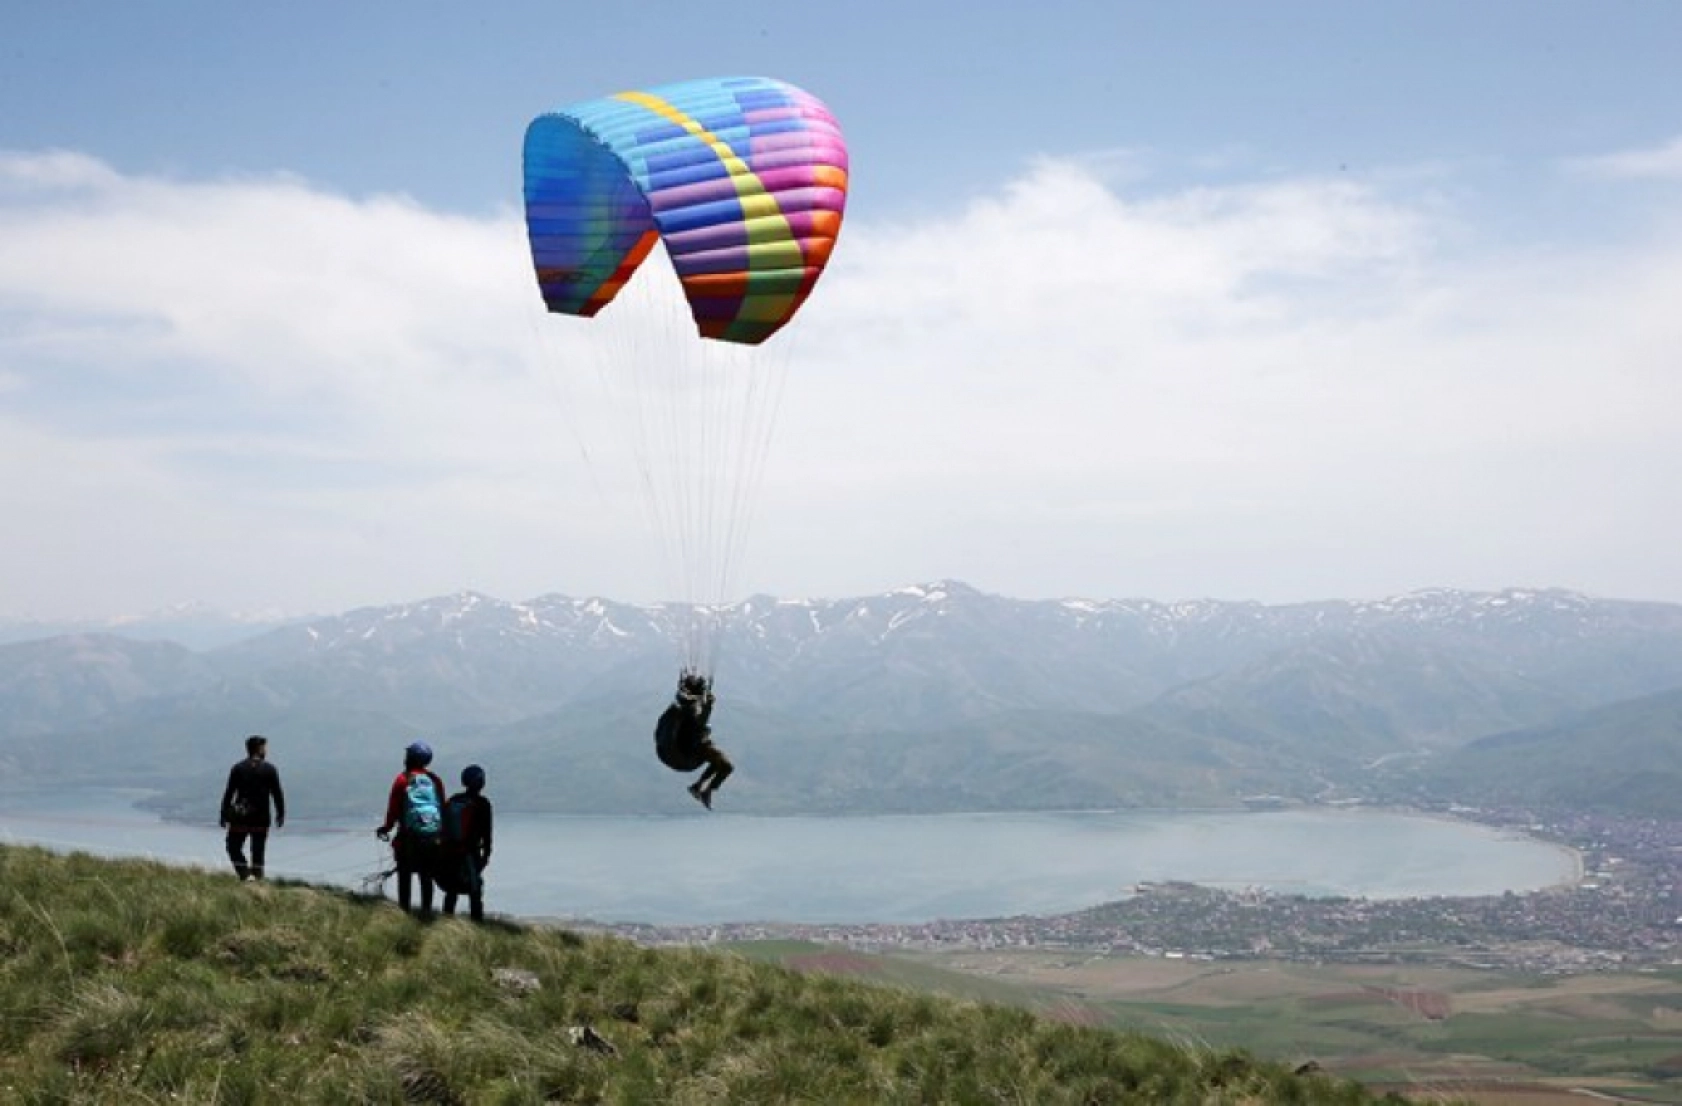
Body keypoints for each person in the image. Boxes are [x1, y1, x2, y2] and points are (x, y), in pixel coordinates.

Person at [376, 740, 448, 916]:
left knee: (405, 874)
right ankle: (426, 912)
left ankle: (404, 911)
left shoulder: (403, 779)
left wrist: (386, 828)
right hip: (433, 836)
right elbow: (442, 807)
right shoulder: (435, 780)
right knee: (426, 876)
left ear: (411, 758)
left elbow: (393, 808)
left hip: (409, 836)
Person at [654, 670, 733, 809]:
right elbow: (700, 722)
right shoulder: (689, 717)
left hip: (678, 755)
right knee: (726, 766)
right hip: (687, 754)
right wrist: (708, 705)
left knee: (721, 764)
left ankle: (699, 788)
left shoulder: (675, 714)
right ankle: (703, 789)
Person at [219, 734, 285, 881]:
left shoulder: (238, 768)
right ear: (259, 749)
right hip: (261, 818)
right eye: (265, 748)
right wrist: (281, 814)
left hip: (240, 816)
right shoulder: (270, 769)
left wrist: (224, 814)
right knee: (258, 853)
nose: (266, 751)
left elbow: (229, 792)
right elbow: (277, 793)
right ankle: (258, 880)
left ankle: (244, 873)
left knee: (233, 847)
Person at [441, 764, 494, 923]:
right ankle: (476, 923)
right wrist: (486, 854)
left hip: (451, 851)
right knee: (475, 889)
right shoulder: (483, 804)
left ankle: (446, 921)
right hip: (471, 852)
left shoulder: (454, 800)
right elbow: (487, 833)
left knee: (452, 889)